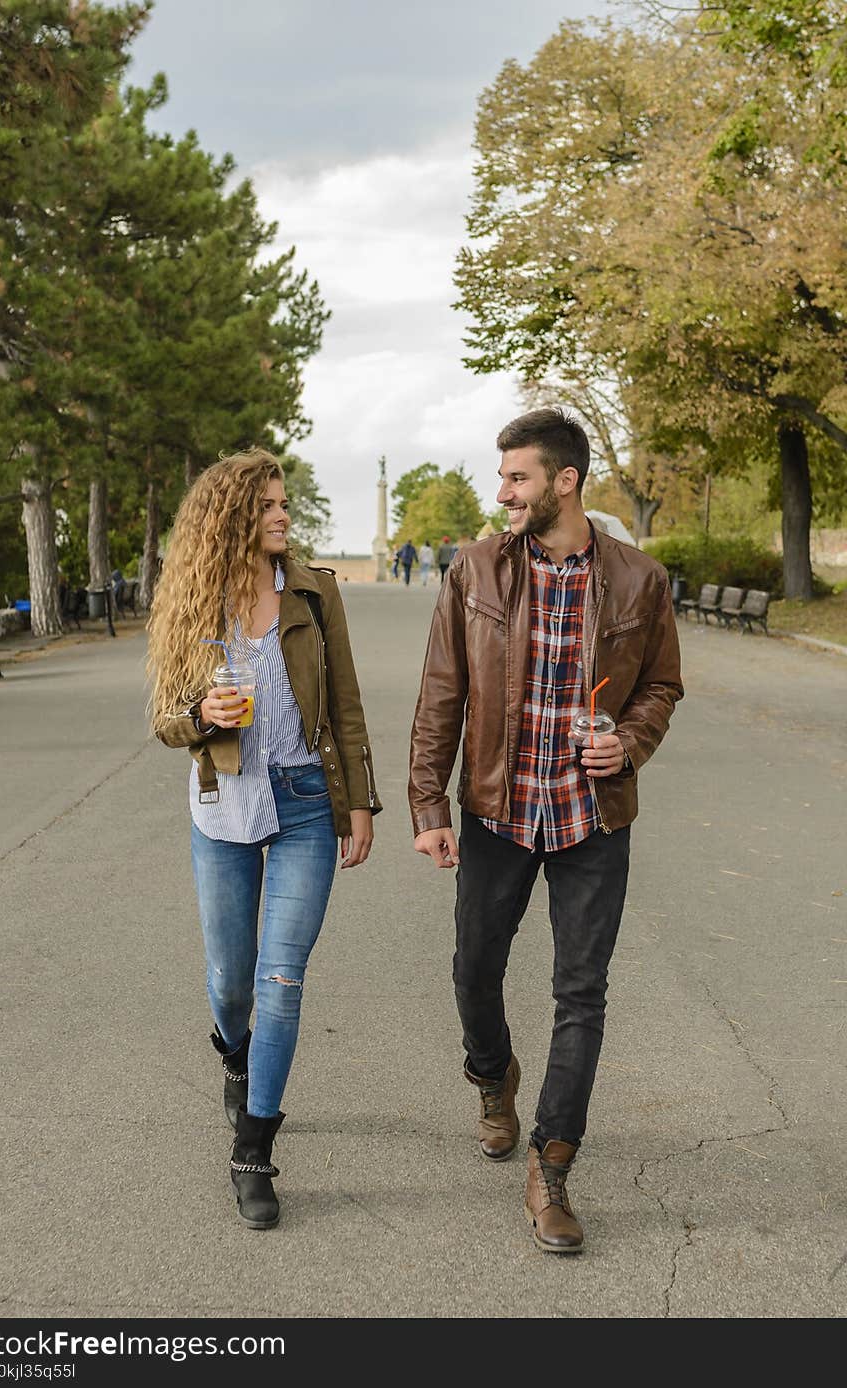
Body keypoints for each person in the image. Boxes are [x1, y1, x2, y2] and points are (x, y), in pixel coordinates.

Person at [408, 408, 682, 1254]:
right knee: (474, 967)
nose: (504, 493)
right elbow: (441, 689)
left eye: (518, 477)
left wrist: (626, 741)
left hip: (592, 819)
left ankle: (551, 1164)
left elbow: (663, 686)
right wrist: (429, 806)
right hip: (497, 809)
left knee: (581, 993)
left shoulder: (639, 580)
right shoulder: (477, 570)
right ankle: (492, 1077)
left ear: (565, 482)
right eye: (504, 478)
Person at [147, 447, 381, 1230]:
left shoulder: (314, 594)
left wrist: (362, 804)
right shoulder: (193, 601)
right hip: (222, 804)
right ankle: (234, 1055)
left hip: (308, 800)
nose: (283, 514)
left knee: (282, 978)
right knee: (232, 977)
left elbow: (345, 703)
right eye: (269, 504)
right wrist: (200, 719)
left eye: (285, 503)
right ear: (232, 517)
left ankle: (254, 1148)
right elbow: (162, 719)